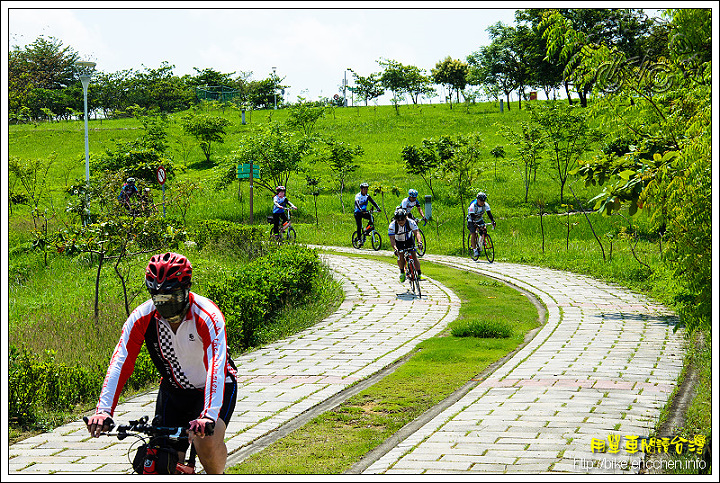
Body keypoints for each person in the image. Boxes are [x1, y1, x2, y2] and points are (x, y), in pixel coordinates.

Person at [85, 252, 238, 474]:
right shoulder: (142, 317)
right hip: (174, 391)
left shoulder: (207, 315)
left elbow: (216, 364)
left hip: (215, 387)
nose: (165, 307)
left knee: (206, 445)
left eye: (172, 297)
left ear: (187, 289)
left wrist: (208, 415)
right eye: (158, 299)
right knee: (159, 459)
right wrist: (103, 411)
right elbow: (121, 361)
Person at [388, 208, 423, 282]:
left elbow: (416, 233)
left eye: (402, 220)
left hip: (409, 239)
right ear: (396, 220)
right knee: (401, 255)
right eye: (398, 220)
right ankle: (402, 272)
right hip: (399, 241)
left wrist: (419, 242)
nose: (401, 222)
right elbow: (392, 239)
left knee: (414, 254)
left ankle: (419, 273)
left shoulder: (411, 222)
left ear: (406, 218)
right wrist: (395, 248)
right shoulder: (392, 226)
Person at [467, 192, 496, 258]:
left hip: (479, 219)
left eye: (483, 201)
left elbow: (489, 213)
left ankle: (480, 243)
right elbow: (471, 216)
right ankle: (474, 250)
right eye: (481, 200)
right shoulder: (473, 206)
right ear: (477, 199)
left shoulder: (486, 205)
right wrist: (475, 224)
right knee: (473, 233)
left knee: (484, 230)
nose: (482, 202)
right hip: (471, 220)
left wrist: (493, 221)